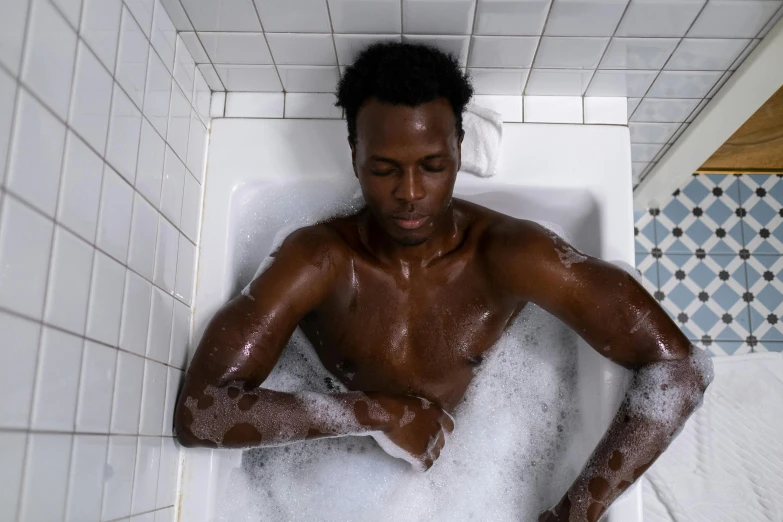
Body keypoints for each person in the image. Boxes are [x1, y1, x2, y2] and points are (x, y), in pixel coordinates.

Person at [174, 42, 712, 522]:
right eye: (384, 168)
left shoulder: (510, 255)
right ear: (354, 155)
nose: (410, 192)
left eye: (432, 165)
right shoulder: (319, 259)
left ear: (459, 146)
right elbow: (202, 412)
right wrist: (380, 413)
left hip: (475, 468)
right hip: (332, 476)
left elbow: (678, 368)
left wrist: (576, 513)